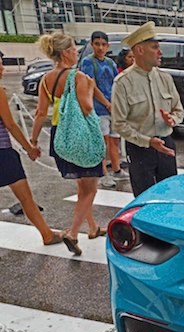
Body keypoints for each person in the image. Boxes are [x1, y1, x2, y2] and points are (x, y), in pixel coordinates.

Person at [31, 32, 106, 256]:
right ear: (65, 53)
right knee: (91, 188)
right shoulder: (78, 77)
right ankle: (73, 234)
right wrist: (90, 88)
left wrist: (33, 141)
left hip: (60, 137)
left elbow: (40, 112)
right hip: (81, 135)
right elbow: (87, 107)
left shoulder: (46, 79)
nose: (76, 52)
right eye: (74, 49)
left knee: (81, 186)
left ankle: (92, 227)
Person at [111, 22, 184, 197]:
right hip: (140, 149)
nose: (160, 52)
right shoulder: (123, 83)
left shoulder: (165, 78)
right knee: (144, 200)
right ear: (139, 50)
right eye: (155, 47)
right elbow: (119, 124)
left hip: (166, 144)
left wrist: (172, 120)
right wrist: (147, 141)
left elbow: (179, 110)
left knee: (169, 196)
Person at [0, 55, 63, 246]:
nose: (2, 68)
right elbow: (10, 124)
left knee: (25, 196)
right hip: (2, 153)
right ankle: (47, 234)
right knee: (25, 197)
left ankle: (47, 234)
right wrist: (30, 149)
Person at [80, 31, 127, 189]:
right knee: (102, 142)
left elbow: (117, 83)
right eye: (97, 44)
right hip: (99, 109)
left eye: (103, 44)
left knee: (114, 140)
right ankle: (102, 173)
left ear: (107, 46)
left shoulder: (110, 63)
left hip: (113, 107)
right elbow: (91, 86)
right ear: (92, 45)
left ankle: (116, 169)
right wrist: (107, 103)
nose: (100, 47)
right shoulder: (88, 62)